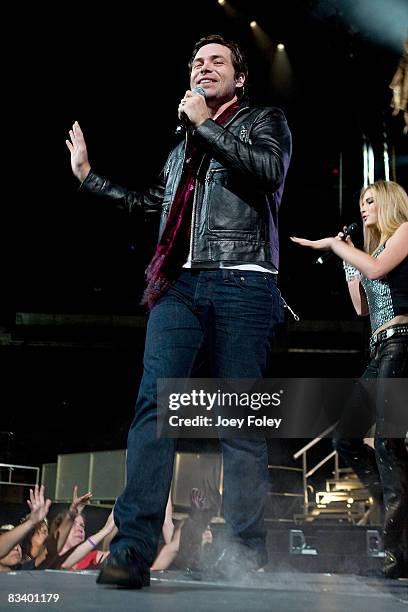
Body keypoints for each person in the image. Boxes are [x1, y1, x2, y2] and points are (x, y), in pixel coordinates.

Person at [66, 33, 292, 588]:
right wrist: (88, 177)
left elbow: (267, 171)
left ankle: (245, 551)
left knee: (239, 419)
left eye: (217, 61)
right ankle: (133, 549)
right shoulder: (181, 150)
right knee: (153, 408)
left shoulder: (265, 121)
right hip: (179, 287)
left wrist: (204, 127)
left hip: (243, 278)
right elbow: (154, 207)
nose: (204, 67)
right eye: (197, 61)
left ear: (239, 78)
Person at [291, 179, 408, 578]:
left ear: (390, 202)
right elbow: (361, 305)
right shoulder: (373, 249)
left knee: (388, 445)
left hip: (402, 344)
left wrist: (335, 245)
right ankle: (402, 521)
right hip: (379, 351)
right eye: (361, 202)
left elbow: (375, 269)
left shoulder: (405, 232)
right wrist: (347, 259)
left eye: (370, 200)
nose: (364, 208)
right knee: (346, 437)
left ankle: (397, 551)